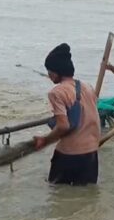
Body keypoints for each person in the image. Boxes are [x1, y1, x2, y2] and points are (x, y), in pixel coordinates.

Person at [33, 43, 101, 185]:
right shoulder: (87, 86)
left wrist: (45, 140)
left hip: (70, 155)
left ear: (56, 72)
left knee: (57, 195)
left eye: (49, 71)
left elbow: (63, 126)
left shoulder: (57, 92)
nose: (49, 75)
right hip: (92, 154)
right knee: (85, 197)